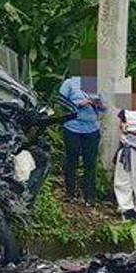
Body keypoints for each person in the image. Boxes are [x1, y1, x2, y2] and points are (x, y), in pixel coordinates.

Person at [58, 73, 105, 204]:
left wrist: (97, 104)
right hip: (72, 127)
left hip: (92, 129)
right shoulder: (69, 83)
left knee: (90, 162)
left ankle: (89, 196)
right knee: (71, 160)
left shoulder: (95, 84)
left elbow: (104, 108)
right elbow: (60, 102)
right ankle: (70, 193)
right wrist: (79, 104)